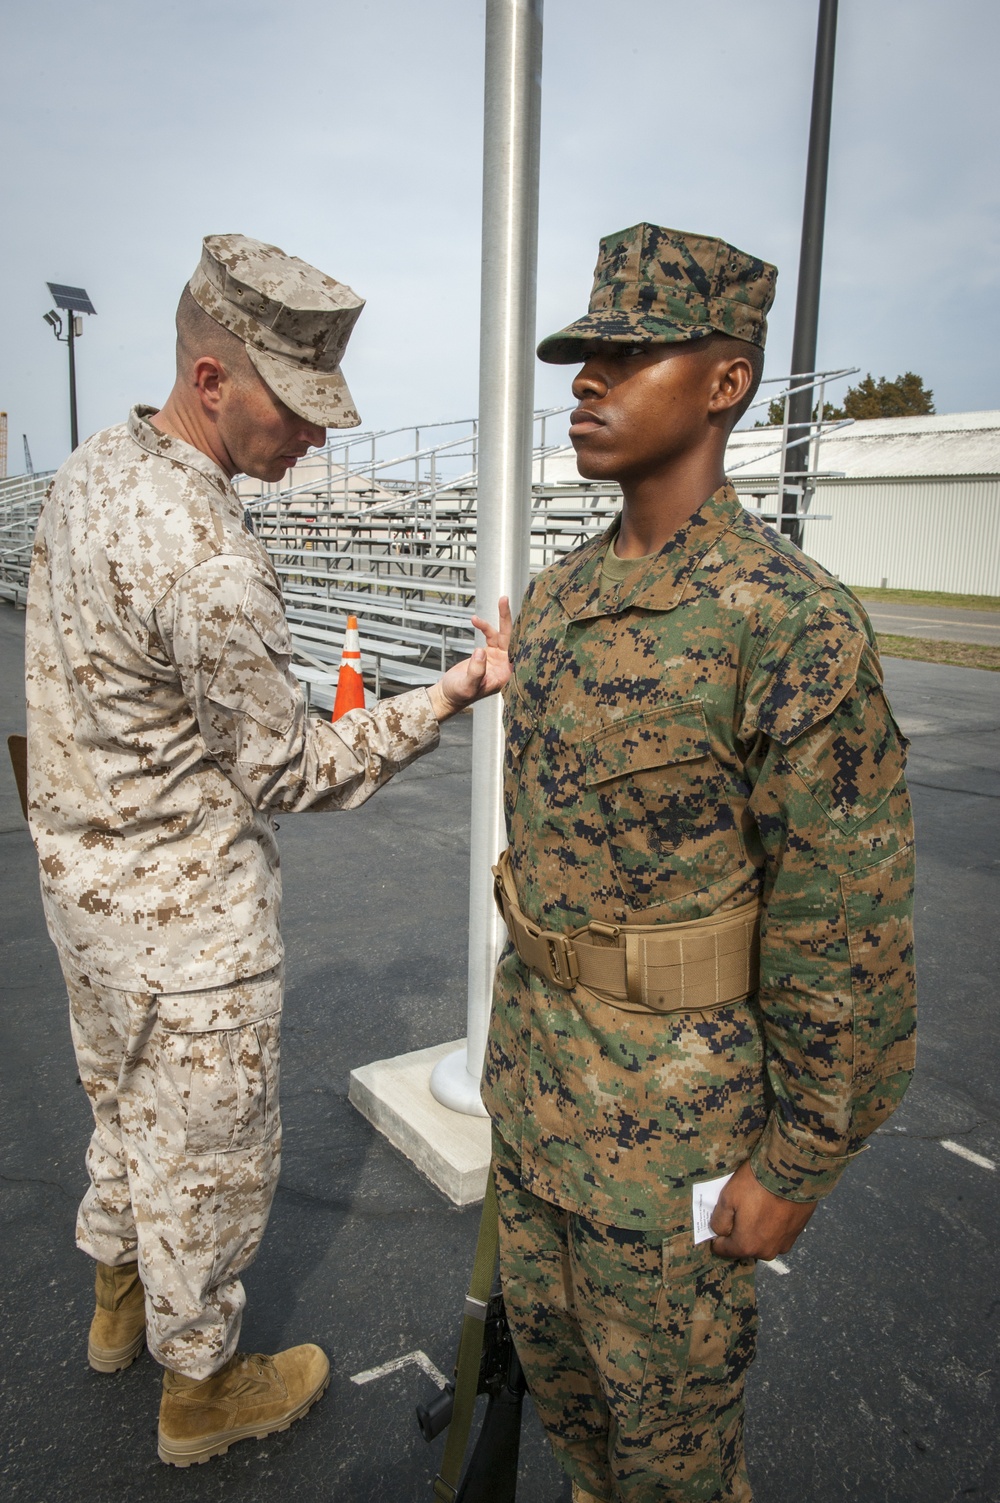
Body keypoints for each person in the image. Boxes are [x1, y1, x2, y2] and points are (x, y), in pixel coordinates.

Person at [24, 233, 511, 1468]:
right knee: (209, 1159)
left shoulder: (91, 471)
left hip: (85, 899)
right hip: (188, 930)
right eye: (294, 409)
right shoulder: (207, 556)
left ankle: (115, 1305)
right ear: (209, 381)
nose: (316, 438)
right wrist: (446, 696)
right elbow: (294, 767)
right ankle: (200, 1391)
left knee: (122, 1113)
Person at [482, 223, 916, 1503]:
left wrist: (799, 1161)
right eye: (581, 357)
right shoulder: (557, 604)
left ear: (725, 382)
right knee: (572, 1430)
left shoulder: (787, 623)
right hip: (539, 1103)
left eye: (626, 354)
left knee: (673, 1463)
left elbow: (845, 931)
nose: (584, 381)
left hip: (676, 1142)